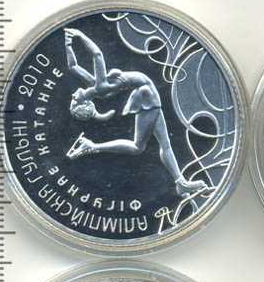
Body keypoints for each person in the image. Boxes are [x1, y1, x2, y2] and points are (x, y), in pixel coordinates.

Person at [64, 28, 207, 196]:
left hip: (146, 93)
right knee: (138, 146)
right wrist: (81, 35)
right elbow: (97, 54)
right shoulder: (100, 86)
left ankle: (180, 184)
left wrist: (68, 44)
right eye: (75, 100)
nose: (73, 95)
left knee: (165, 143)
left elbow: (73, 66)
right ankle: (92, 146)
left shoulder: (92, 85)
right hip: (146, 95)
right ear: (85, 103)